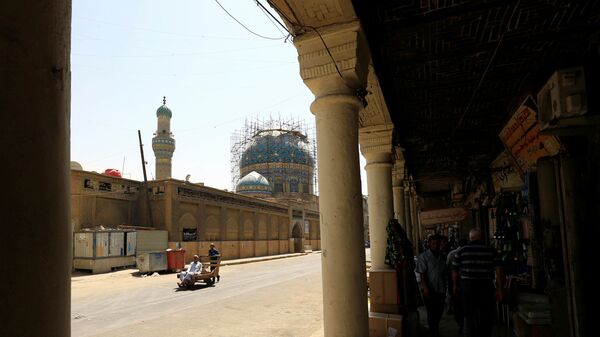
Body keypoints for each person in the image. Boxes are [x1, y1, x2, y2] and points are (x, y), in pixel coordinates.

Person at [452, 228, 505, 337]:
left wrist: (455, 285)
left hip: (467, 287)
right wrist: (500, 289)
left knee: (469, 315)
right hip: (485, 287)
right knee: (485, 314)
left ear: (470, 238)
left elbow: (454, 271)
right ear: (481, 237)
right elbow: (499, 271)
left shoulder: (461, 251)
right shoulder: (491, 250)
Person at [415, 234, 448, 337]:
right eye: (433, 243)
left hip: (441, 289)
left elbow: (445, 273)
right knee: (431, 313)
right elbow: (422, 274)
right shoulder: (423, 257)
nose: (435, 245)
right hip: (430, 289)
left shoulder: (443, 256)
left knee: (439, 312)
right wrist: (425, 288)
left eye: (437, 243)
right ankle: (434, 332)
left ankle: (434, 328)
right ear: (429, 244)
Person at [446, 238, 468, 333]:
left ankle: (460, 324)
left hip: (455, 282)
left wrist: (451, 286)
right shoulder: (467, 253)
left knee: (457, 305)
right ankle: (466, 324)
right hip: (466, 282)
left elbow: (448, 269)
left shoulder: (451, 254)